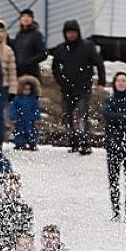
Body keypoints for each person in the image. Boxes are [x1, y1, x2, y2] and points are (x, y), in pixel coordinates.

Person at [49, 20, 102, 155]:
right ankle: (73, 141)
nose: (71, 35)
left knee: (82, 116)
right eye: (68, 33)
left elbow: (99, 63)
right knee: (67, 117)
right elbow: (55, 69)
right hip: (67, 88)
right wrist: (62, 82)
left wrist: (101, 81)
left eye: (73, 32)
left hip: (83, 87)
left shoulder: (87, 46)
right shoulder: (61, 49)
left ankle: (85, 142)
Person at [98, 72, 126, 222]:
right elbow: (106, 115)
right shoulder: (109, 101)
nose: (121, 83)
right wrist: (124, 117)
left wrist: (117, 117)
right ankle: (115, 211)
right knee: (113, 178)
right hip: (113, 144)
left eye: (124, 81)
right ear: (115, 83)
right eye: (119, 80)